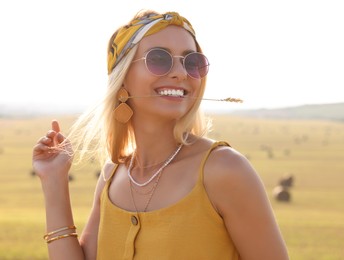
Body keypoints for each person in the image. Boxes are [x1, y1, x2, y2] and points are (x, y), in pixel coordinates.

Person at [32, 9, 289, 260]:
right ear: (122, 79)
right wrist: (54, 181)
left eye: (193, 62)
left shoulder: (224, 170)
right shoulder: (112, 176)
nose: (181, 73)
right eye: (159, 59)